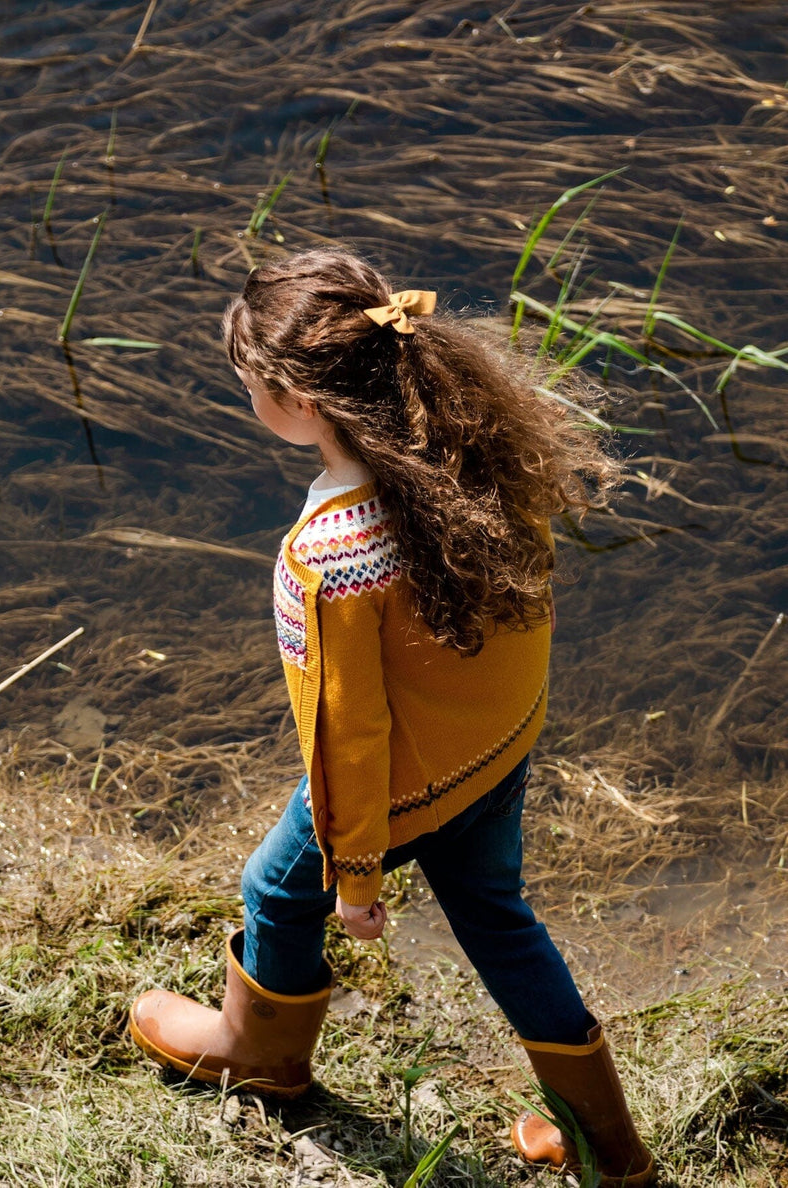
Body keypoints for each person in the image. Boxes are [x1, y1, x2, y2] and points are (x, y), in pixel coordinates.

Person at [130, 248, 655, 1187]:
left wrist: (359, 875)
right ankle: (610, 1152)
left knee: (274, 888)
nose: (246, 398)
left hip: (403, 786)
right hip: (494, 748)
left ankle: (261, 1054)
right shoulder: (474, 452)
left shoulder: (327, 556)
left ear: (300, 403)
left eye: (249, 385)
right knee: (499, 921)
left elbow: (346, 735)